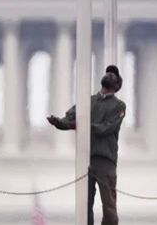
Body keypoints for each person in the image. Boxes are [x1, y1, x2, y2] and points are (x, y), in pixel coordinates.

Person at [47, 65, 127, 225]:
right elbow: (69, 119)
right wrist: (58, 122)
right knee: (84, 207)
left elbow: (106, 128)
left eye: (114, 74)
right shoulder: (87, 101)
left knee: (110, 210)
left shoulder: (119, 106)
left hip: (105, 161)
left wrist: (80, 124)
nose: (110, 74)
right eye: (108, 72)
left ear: (117, 85)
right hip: (85, 159)